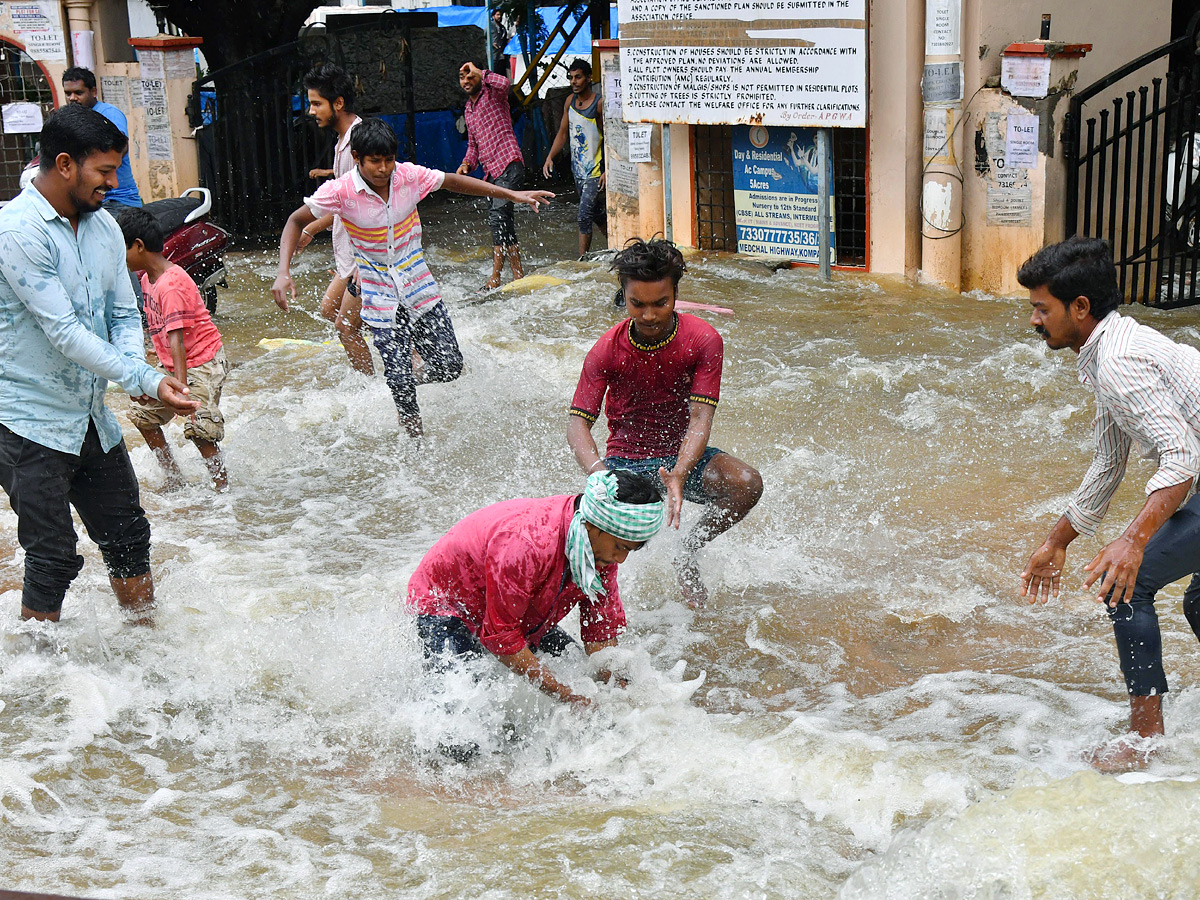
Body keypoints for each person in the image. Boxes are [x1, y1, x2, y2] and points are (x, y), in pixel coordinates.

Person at [0, 104, 197, 623]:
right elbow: (64, 333)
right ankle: (48, 682)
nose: (113, 182)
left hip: (89, 415)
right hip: (29, 422)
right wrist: (146, 377)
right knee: (53, 558)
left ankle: (145, 647)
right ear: (65, 164)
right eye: (104, 171)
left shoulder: (105, 227)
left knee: (128, 535)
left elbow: (122, 311)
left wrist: (135, 369)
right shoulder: (17, 231)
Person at [1018, 236, 1200, 771]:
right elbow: (1108, 462)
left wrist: (1132, 541)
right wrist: (1057, 542)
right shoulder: (1108, 354)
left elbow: (1180, 458)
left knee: (1127, 584)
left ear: (1080, 308)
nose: (1033, 321)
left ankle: (1145, 743)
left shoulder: (1118, 360)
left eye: (1040, 308)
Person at [273, 118, 553, 439]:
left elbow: (453, 182)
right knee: (402, 390)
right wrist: (283, 273)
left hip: (420, 290)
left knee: (449, 366)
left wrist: (511, 194)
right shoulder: (342, 190)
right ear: (357, 158)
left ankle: (401, 380)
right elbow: (295, 219)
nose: (383, 168)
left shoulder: (407, 175)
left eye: (388, 160)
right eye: (374, 161)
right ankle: (414, 446)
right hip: (379, 298)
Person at [568, 238, 763, 608]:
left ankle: (687, 552)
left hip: (684, 457)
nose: (650, 315)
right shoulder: (606, 349)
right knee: (603, 544)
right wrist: (599, 474)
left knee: (747, 484)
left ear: (676, 294)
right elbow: (577, 424)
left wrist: (679, 472)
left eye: (661, 303)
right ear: (623, 297)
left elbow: (700, 417)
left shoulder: (703, 339)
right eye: (637, 304)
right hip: (624, 463)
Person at [408, 470, 664, 708]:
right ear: (595, 525)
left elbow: (600, 631)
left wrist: (615, 687)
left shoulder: (599, 549)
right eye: (621, 547)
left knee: (580, 671)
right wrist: (567, 696)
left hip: (520, 613)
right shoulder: (527, 543)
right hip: (447, 605)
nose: (621, 560)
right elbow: (501, 636)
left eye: (630, 550)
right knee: (460, 734)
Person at [120, 208, 230, 493]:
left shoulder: (170, 284)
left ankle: (222, 491)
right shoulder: (147, 279)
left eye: (122, 247)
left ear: (139, 246)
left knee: (200, 428)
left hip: (204, 361)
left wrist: (181, 391)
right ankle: (173, 478)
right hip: (174, 363)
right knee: (142, 414)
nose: (120, 256)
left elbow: (177, 340)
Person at [295, 64, 373, 376]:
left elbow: (372, 208)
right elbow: (344, 204)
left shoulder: (358, 142)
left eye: (316, 103)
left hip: (364, 257)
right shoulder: (343, 141)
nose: (311, 110)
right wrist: (312, 229)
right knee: (330, 310)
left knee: (344, 325)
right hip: (349, 255)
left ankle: (374, 389)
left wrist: (361, 262)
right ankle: (396, 334)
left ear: (337, 103)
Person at [457, 60, 527, 290]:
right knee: (503, 222)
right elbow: (473, 146)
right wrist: (467, 163)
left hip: (509, 163)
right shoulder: (468, 109)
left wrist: (480, 71)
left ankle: (496, 277)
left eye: (470, 76)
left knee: (498, 217)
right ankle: (518, 276)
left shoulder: (494, 94)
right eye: (462, 77)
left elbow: (506, 83)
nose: (466, 80)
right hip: (492, 173)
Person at [542, 58, 607, 258]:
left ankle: (582, 261)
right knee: (597, 215)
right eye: (571, 78)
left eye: (578, 77)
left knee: (583, 215)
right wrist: (550, 156)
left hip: (594, 171)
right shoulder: (570, 101)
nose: (574, 81)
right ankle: (620, 246)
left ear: (589, 78)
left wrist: (608, 169)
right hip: (577, 170)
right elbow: (563, 133)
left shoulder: (599, 104)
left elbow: (611, 138)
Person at [62, 66, 141, 210]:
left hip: (116, 199)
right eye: (68, 93)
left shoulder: (109, 114)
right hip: (87, 198)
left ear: (93, 92)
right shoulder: (70, 118)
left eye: (79, 93)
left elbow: (120, 147)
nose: (72, 98)